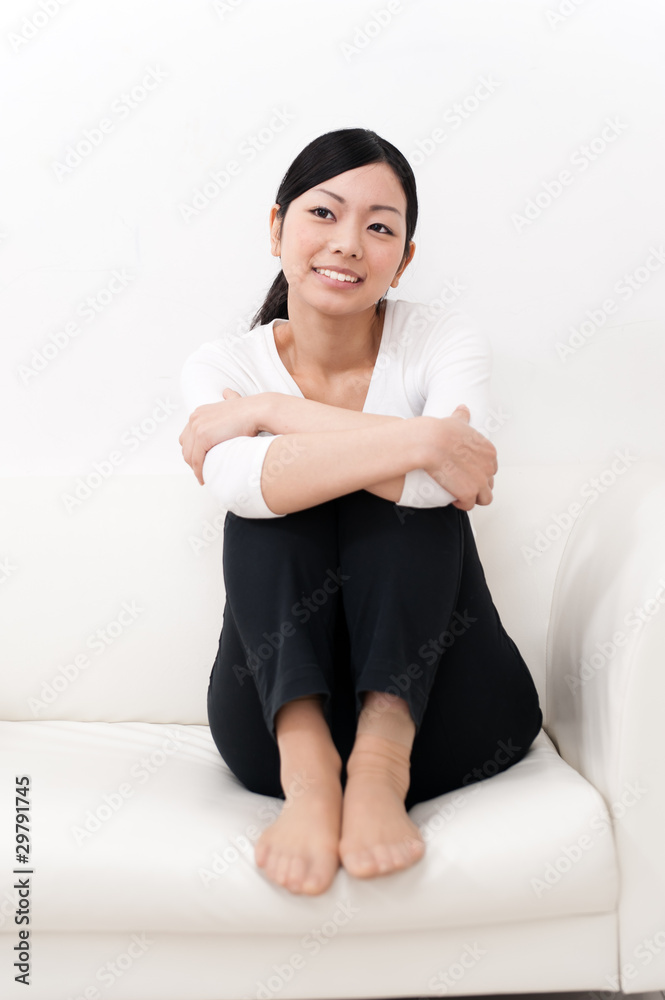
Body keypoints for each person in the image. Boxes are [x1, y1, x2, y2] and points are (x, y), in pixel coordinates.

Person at [178, 127, 543, 899]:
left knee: (400, 505)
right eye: (324, 214)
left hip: (452, 714)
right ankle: (312, 780)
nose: (348, 243)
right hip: (270, 726)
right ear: (277, 227)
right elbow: (247, 489)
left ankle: (379, 764)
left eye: (379, 226)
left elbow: (445, 489)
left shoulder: (438, 339)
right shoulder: (223, 365)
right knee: (276, 508)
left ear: (403, 258)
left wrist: (277, 412)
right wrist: (422, 440)